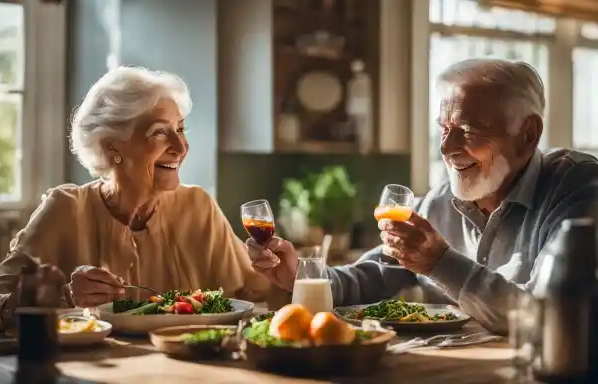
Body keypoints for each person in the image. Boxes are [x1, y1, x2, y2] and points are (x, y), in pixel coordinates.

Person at [247, 58, 598, 335]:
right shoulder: (441, 200)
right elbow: (378, 273)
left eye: (468, 131)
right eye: (444, 129)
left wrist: (440, 262)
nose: (447, 148)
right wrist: (304, 278)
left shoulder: (579, 189)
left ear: (527, 134)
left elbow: (549, 318)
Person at [0, 66, 269, 332]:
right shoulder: (65, 209)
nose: (181, 147)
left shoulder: (198, 207)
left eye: (180, 129)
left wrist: (289, 272)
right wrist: (62, 296)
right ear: (112, 146)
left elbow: (258, 293)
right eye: (159, 133)